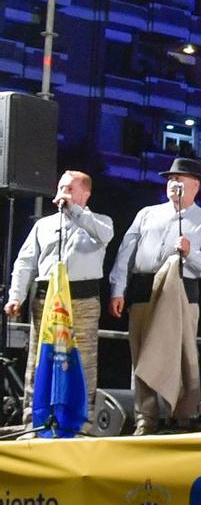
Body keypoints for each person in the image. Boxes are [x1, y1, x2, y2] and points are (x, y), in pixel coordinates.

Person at [109, 158, 201, 434]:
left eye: (180, 179)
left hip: (182, 290)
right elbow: (126, 252)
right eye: (170, 179)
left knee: (183, 353)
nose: (173, 184)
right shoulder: (147, 214)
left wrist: (190, 252)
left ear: (195, 185)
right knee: (142, 354)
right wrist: (118, 288)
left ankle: (183, 416)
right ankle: (145, 418)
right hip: (144, 288)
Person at [7, 169, 116, 430]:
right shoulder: (43, 225)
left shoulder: (100, 222)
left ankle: (82, 422)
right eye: (60, 188)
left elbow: (105, 237)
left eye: (69, 188)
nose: (62, 193)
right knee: (39, 358)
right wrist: (16, 296)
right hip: (46, 300)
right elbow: (25, 263)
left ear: (85, 193)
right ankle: (33, 420)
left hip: (83, 299)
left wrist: (75, 212)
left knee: (83, 361)